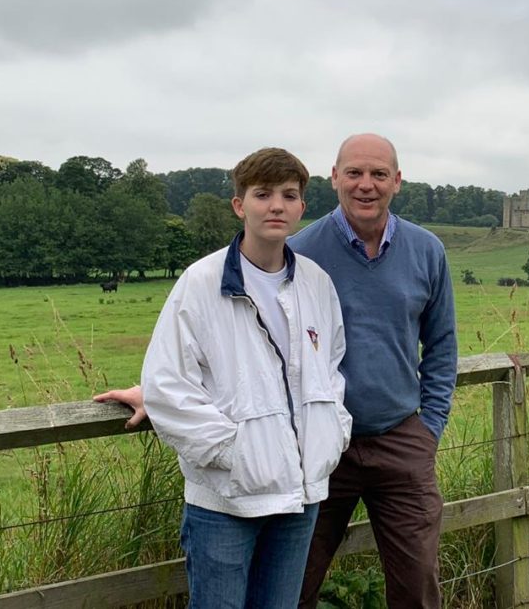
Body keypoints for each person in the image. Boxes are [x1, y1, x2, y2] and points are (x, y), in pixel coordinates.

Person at [95, 134, 458, 609]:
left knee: (415, 583)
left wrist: (427, 427)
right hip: (299, 464)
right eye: (354, 173)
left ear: (397, 181)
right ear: (335, 179)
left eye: (378, 174)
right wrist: (174, 408)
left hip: (377, 443)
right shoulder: (296, 253)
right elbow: (202, 362)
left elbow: (429, 345)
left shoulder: (411, 253)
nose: (366, 185)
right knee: (291, 589)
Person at [103, 147, 352, 609]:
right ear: (240, 206)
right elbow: (168, 385)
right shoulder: (201, 283)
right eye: (262, 194)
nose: (276, 205)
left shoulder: (316, 284)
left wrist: (330, 435)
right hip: (225, 502)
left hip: (299, 498)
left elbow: (331, 368)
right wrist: (235, 454)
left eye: (289, 195)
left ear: (301, 207)